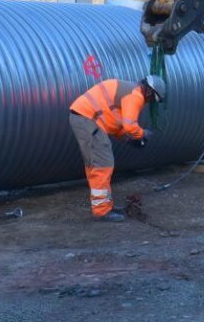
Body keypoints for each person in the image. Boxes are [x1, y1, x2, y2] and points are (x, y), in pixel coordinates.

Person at [69, 75, 166, 222]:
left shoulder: (128, 91)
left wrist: (129, 140)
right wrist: (143, 134)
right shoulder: (136, 95)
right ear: (149, 92)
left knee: (96, 165)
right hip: (88, 119)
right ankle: (102, 210)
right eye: (152, 99)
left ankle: (105, 205)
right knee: (103, 164)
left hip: (83, 117)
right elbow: (130, 126)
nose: (149, 102)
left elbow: (115, 123)